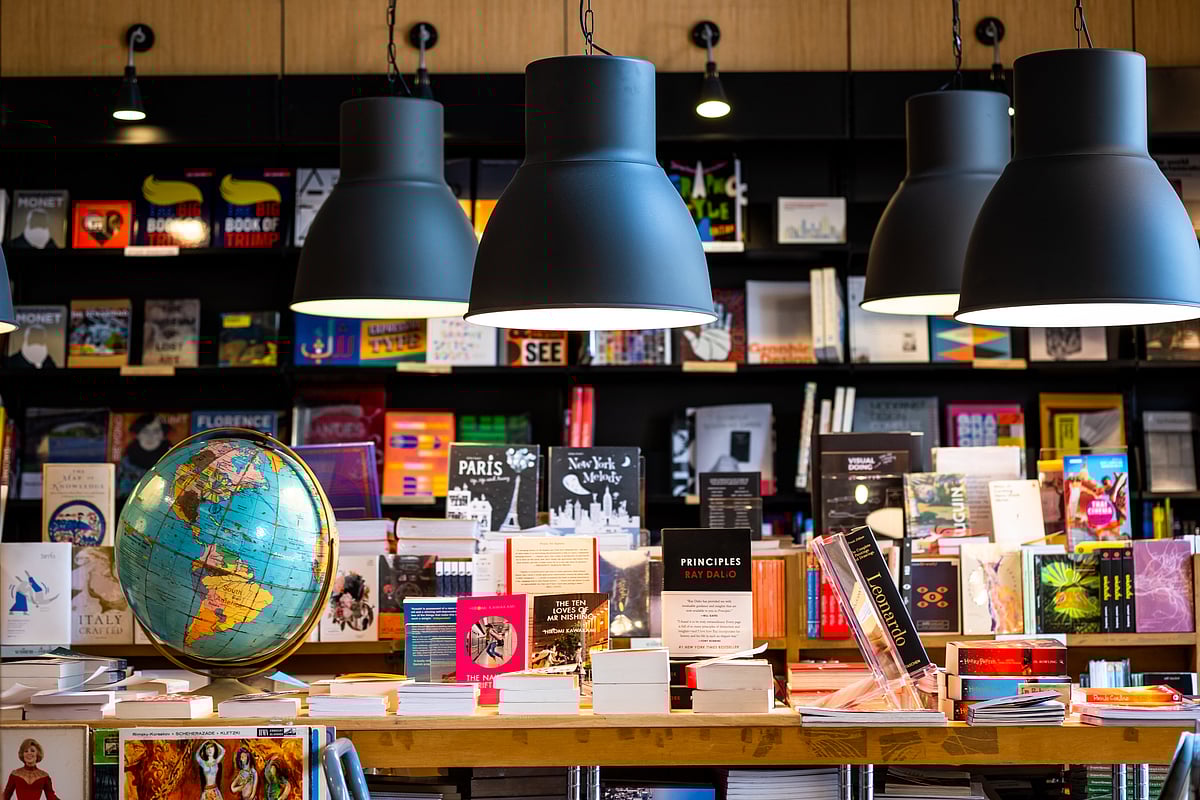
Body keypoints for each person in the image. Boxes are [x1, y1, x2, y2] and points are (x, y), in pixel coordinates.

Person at [117, 413, 174, 496]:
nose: (150, 436)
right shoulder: (126, 463)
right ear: (137, 434)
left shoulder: (172, 459)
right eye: (145, 431)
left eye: (156, 431)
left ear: (163, 435)